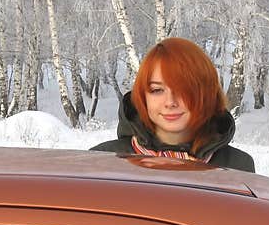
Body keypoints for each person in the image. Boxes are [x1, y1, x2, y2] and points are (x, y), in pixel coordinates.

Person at [91, 37, 255, 172]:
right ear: (142, 96)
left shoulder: (238, 167)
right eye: (157, 90)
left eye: (183, 90)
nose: (170, 102)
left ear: (207, 94)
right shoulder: (103, 160)